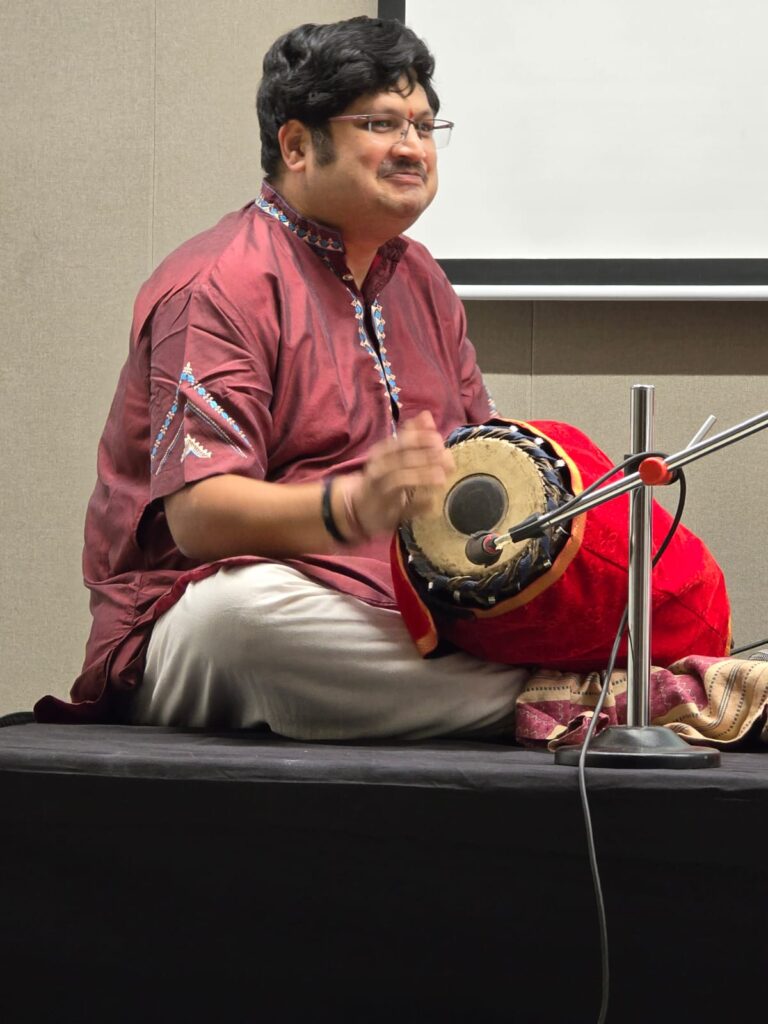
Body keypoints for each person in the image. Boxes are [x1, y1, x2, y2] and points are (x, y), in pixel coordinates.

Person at [34, 15, 530, 737]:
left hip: (401, 607)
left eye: (425, 127)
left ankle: (513, 685)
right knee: (240, 619)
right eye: (382, 123)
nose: (413, 147)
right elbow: (200, 519)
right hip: (211, 609)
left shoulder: (420, 279)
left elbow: (480, 457)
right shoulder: (218, 282)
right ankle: (550, 701)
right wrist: (353, 506)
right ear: (297, 145)